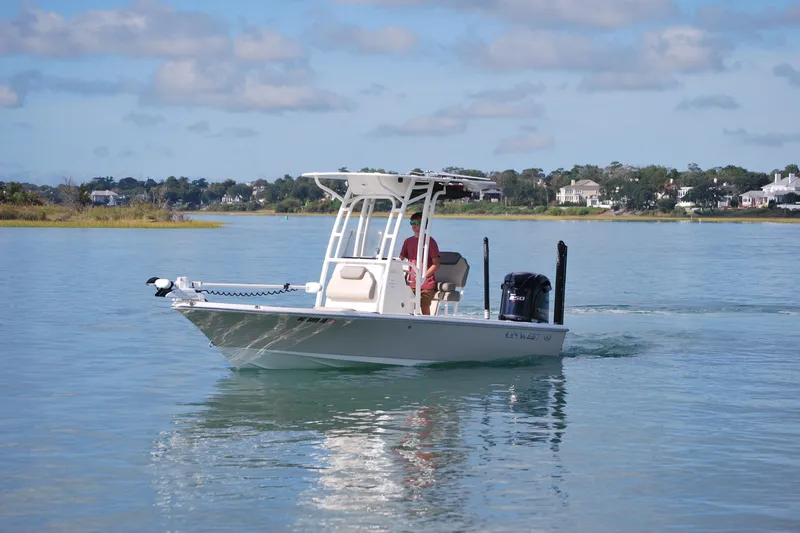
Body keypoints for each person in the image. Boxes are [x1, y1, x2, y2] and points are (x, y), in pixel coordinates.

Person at [398, 212, 440, 315]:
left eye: (416, 223)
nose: (414, 225)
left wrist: (423, 277)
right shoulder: (408, 241)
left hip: (426, 284)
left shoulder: (430, 242)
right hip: (411, 283)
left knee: (423, 304)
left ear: (423, 224)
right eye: (412, 223)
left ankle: (428, 323)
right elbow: (400, 259)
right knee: (402, 303)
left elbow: (436, 265)